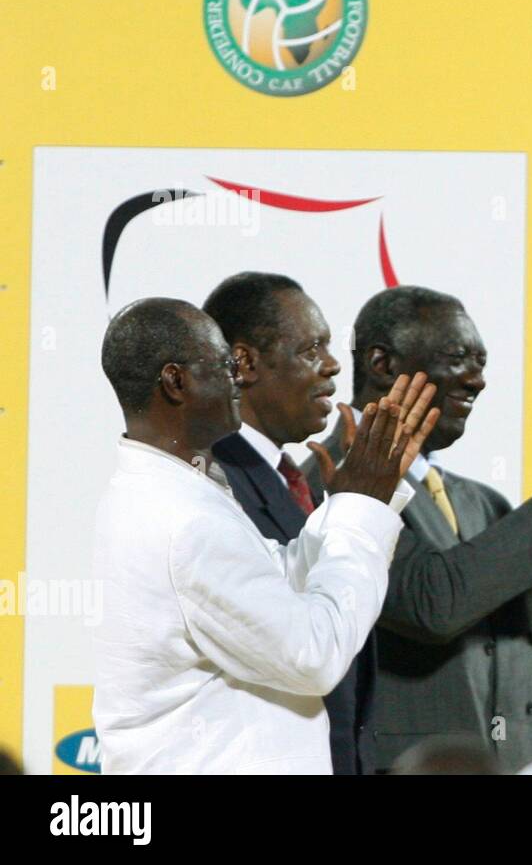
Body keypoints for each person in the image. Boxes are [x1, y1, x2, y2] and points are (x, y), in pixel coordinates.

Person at [303, 286, 532, 772]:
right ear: (382, 364)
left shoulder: (482, 501)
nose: (476, 381)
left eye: (480, 362)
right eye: (458, 358)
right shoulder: (336, 485)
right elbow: (432, 604)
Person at [91, 297, 437, 773]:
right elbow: (313, 654)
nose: (238, 377)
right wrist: (362, 509)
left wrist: (352, 500)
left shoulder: (167, 491)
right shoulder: (183, 519)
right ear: (176, 382)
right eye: (224, 363)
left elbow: (279, 581)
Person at [203, 271, 377, 774]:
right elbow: (299, 646)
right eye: (311, 349)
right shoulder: (216, 482)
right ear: (244, 364)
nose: (332, 364)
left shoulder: (284, 479)